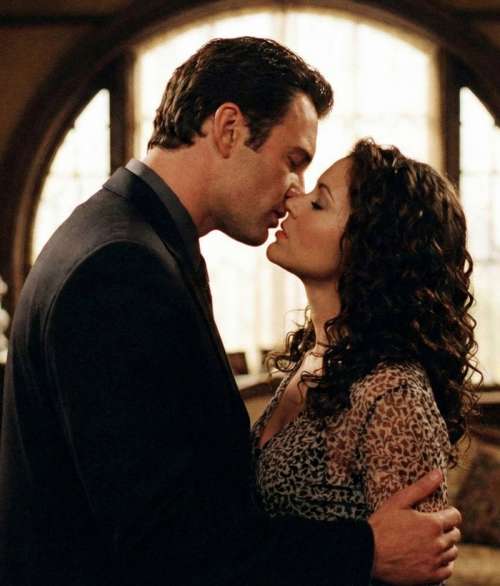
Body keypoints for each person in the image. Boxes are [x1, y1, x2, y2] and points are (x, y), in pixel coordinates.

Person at [0, 38, 460, 586]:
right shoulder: (122, 265)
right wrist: (362, 550)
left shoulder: (129, 239)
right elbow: (159, 541)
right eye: (293, 162)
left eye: (315, 193)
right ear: (229, 128)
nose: (293, 192)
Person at [253, 138, 479, 584]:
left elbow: (419, 569)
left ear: (369, 247)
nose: (292, 200)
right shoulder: (313, 358)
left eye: (319, 203)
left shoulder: (391, 392)